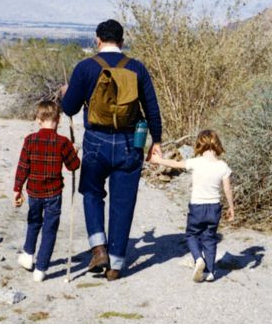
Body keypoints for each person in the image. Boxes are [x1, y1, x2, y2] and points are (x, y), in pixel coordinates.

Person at [60, 19, 162, 281]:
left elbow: (69, 108)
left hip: (96, 141)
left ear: (97, 40)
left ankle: (98, 248)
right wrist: (157, 142)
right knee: (123, 202)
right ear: (122, 41)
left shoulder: (85, 68)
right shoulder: (137, 68)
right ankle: (115, 264)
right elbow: (151, 108)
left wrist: (66, 93)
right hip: (130, 143)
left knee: (92, 193)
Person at [150, 129, 235, 282]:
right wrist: (231, 208)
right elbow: (227, 189)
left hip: (197, 207)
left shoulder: (196, 162)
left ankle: (198, 259)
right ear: (217, 145)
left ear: (199, 145)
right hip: (214, 208)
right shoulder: (223, 166)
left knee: (191, 235)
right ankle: (210, 272)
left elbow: (175, 164)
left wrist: (158, 160)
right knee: (209, 239)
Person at [13, 100, 80, 282]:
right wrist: (74, 151)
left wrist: (17, 190)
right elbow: (74, 165)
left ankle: (28, 255)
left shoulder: (30, 140)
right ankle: (41, 269)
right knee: (50, 230)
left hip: (34, 192)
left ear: (38, 120)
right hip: (53, 194)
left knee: (34, 222)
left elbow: (22, 167)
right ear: (58, 120)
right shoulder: (63, 142)